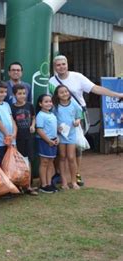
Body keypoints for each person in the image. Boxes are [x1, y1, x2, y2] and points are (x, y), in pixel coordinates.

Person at [49, 55, 123, 186]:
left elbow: (96, 88)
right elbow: (50, 102)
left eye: (63, 64)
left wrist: (117, 95)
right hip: (60, 118)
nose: (61, 67)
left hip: (78, 116)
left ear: (67, 64)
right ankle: (60, 175)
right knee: (60, 148)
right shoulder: (51, 81)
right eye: (58, 65)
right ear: (54, 67)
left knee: (77, 146)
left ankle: (76, 175)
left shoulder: (77, 77)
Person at [52, 85, 82, 190]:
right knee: (62, 157)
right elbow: (52, 118)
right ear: (57, 95)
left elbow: (79, 114)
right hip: (61, 135)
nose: (65, 94)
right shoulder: (55, 106)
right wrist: (56, 127)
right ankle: (64, 182)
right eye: (61, 92)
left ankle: (74, 181)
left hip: (71, 134)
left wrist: (77, 121)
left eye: (66, 91)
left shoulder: (73, 103)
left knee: (71, 157)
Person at [11, 84, 38, 195]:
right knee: (19, 161)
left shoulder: (29, 106)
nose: (22, 96)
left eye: (24, 93)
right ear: (14, 95)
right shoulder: (11, 107)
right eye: (19, 94)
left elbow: (33, 117)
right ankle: (19, 185)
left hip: (29, 137)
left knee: (29, 161)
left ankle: (29, 185)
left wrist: (32, 125)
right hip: (18, 138)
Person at [35, 94, 59, 193]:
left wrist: (57, 137)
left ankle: (49, 183)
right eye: (46, 102)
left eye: (50, 101)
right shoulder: (40, 115)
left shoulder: (52, 114)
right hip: (44, 141)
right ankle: (43, 184)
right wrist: (48, 141)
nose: (49, 103)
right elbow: (39, 130)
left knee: (50, 162)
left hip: (53, 141)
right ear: (40, 104)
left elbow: (54, 129)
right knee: (44, 162)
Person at [0, 81, 17, 167]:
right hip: (0, 141)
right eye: (1, 92)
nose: (4, 94)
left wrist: (14, 133)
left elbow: (12, 119)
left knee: (11, 164)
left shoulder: (6, 105)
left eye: (5, 92)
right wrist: (7, 135)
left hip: (11, 139)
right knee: (1, 163)